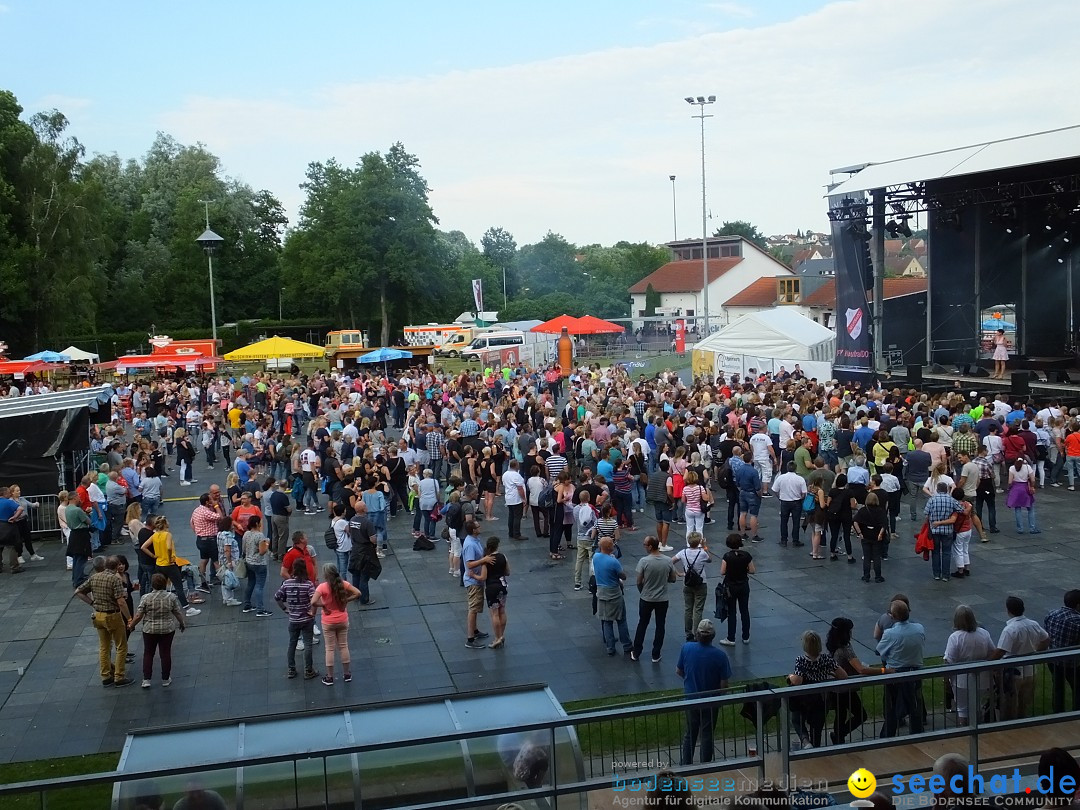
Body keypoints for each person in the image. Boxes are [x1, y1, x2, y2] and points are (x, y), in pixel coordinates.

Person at [676, 618, 732, 765]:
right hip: (711, 701)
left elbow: (679, 671)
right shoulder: (720, 656)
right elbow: (724, 684)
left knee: (690, 733)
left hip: (691, 700)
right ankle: (705, 765)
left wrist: (690, 682)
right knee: (707, 734)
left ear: (697, 634)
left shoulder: (686, 648)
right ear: (712, 636)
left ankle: (686, 764)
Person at [74, 555, 133, 687]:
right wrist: (129, 618)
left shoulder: (94, 577)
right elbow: (121, 602)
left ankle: (105, 675)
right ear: (116, 565)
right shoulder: (114, 579)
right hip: (113, 615)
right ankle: (119, 676)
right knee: (121, 646)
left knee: (104, 647)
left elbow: (78, 591)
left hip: (98, 616)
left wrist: (92, 603)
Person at [128, 572, 186, 689]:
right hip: (167, 629)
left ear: (152, 585)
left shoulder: (146, 598)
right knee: (165, 654)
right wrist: (182, 623)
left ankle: (146, 679)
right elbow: (177, 612)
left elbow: (139, 615)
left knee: (148, 653)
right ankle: (165, 679)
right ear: (165, 584)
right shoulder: (171, 597)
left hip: (150, 630)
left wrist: (131, 625)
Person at [877, 599, 926, 737]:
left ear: (893, 616)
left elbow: (879, 650)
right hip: (915, 672)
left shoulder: (890, 633)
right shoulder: (919, 628)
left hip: (895, 674)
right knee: (915, 706)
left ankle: (887, 736)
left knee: (892, 707)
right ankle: (917, 734)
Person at [995, 595, 1049, 720]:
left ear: (1008, 611)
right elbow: (1046, 639)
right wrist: (1036, 651)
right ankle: (1022, 727)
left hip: (1013, 671)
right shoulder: (1033, 624)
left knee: (1011, 703)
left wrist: (988, 663)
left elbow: (1000, 651)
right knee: (1024, 703)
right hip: (1031, 669)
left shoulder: (1010, 629)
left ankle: (1010, 730)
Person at [943, 605, 996, 725]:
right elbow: (993, 652)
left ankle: (967, 734)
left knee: (963, 710)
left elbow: (948, 661)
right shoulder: (984, 633)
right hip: (982, 678)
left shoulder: (955, 637)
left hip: (961, 680)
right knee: (978, 706)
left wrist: (946, 679)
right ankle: (978, 733)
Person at [140, 517, 201, 616]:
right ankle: (187, 609)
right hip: (169, 565)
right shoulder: (167, 535)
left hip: (158, 564)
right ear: (165, 524)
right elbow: (168, 547)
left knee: (160, 588)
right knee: (178, 587)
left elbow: (143, 547)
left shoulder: (155, 535)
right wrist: (169, 558)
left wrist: (153, 556)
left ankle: (158, 608)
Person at [312, 563, 360, 685]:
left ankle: (330, 677)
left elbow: (313, 602)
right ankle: (347, 674)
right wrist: (346, 600)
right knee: (343, 646)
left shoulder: (322, 587)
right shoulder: (343, 584)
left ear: (325, 575)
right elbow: (357, 593)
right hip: (342, 619)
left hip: (328, 621)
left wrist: (323, 605)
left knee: (330, 649)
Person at [631, 535, 676, 663]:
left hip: (646, 598)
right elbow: (673, 578)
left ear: (650, 546)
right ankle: (656, 654)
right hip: (662, 599)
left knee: (642, 624)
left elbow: (639, 581)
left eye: (645, 544)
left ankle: (636, 652)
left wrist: (643, 591)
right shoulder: (667, 560)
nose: (644, 546)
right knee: (660, 625)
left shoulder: (644, 561)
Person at [274, 558, 319, 680]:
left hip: (293, 619)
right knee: (308, 644)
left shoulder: (287, 583)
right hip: (306, 619)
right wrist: (312, 613)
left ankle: (291, 669)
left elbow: (277, 596)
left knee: (292, 643)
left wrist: (285, 609)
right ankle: (308, 670)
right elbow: (314, 601)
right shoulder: (308, 584)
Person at [594, 536, 632, 656]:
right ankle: (627, 645)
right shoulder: (613, 561)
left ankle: (610, 647)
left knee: (606, 621)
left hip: (601, 592)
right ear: (611, 548)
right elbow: (623, 576)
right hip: (614, 592)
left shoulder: (596, 557)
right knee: (621, 619)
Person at [1044, 590, 1080, 713]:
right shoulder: (1077, 621)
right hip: (1072, 663)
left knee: (1058, 687)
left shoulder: (1051, 614)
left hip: (1053, 659)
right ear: (1078, 605)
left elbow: (1047, 634)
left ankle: (1058, 714)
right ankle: (1076, 714)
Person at [673, 532, 710, 642]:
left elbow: (670, 562)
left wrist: (679, 573)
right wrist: (705, 546)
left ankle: (688, 632)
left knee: (688, 608)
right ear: (699, 542)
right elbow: (710, 559)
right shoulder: (702, 553)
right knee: (698, 609)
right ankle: (697, 632)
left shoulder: (683, 552)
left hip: (687, 582)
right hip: (701, 583)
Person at [719, 533, 754, 646]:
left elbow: (722, 572)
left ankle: (731, 637)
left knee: (732, 612)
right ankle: (746, 636)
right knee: (744, 611)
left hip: (731, 587)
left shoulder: (727, 556)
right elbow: (752, 570)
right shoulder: (747, 555)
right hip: (743, 585)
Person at [462, 520, 492, 649]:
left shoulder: (475, 540)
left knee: (476, 607)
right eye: (478, 526)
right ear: (473, 530)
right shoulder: (470, 544)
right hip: (473, 581)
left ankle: (474, 630)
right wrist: (484, 560)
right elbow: (469, 564)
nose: (480, 527)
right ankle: (470, 638)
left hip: (478, 580)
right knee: (473, 609)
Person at [925, 482, 963, 582]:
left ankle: (936, 574)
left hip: (934, 529)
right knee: (947, 552)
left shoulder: (932, 499)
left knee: (935, 552)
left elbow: (926, 512)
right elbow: (960, 510)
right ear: (946, 489)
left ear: (937, 489)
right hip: (948, 529)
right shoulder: (952, 500)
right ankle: (946, 575)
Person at [480, 536, 510, 649]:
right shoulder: (503, 557)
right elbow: (507, 572)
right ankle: (502, 635)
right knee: (502, 611)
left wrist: (473, 575)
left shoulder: (486, 560)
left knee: (494, 614)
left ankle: (497, 638)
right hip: (502, 586)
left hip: (491, 588)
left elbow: (483, 577)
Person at [241, 513, 272, 617]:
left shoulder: (246, 534)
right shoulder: (260, 535)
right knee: (259, 586)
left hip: (249, 562)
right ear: (257, 523)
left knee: (251, 583)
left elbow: (244, 549)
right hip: (259, 563)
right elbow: (262, 551)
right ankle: (260, 609)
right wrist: (267, 543)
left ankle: (247, 604)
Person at [854, 492, 888, 583]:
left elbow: (855, 521)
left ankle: (866, 576)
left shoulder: (863, 510)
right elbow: (884, 525)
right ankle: (878, 576)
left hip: (865, 536)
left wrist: (859, 533)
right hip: (876, 536)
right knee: (876, 556)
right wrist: (880, 534)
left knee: (867, 556)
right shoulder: (880, 511)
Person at [772, 461, 807, 548]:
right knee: (796, 522)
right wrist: (800, 498)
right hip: (796, 502)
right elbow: (804, 493)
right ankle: (795, 540)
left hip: (784, 501)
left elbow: (775, 490)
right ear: (795, 468)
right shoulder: (800, 479)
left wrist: (780, 497)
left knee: (784, 521)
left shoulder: (781, 478)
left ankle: (784, 540)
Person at [1005, 456, 1039, 533]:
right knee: (1030, 508)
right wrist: (1032, 486)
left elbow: (1010, 482)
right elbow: (1032, 479)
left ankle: (1020, 528)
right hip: (1025, 488)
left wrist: (1009, 488)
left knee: (1017, 509)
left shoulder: (1012, 468)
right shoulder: (1027, 467)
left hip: (1016, 489)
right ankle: (1032, 528)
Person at [503, 460, 527, 541]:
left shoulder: (505, 474)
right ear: (516, 465)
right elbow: (520, 488)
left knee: (511, 515)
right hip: (516, 498)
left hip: (508, 497)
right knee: (517, 516)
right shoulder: (516, 475)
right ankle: (517, 534)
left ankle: (511, 532)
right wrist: (523, 499)